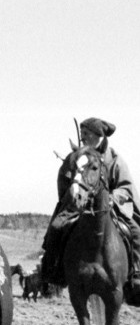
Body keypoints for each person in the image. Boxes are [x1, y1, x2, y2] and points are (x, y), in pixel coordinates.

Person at [41, 117, 140, 298]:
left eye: (86, 134)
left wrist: (111, 198)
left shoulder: (115, 159)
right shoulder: (78, 158)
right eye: (82, 134)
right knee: (56, 227)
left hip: (111, 208)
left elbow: (126, 187)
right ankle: (52, 272)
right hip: (78, 207)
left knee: (135, 232)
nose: (83, 137)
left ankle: (135, 274)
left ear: (98, 136)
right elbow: (65, 181)